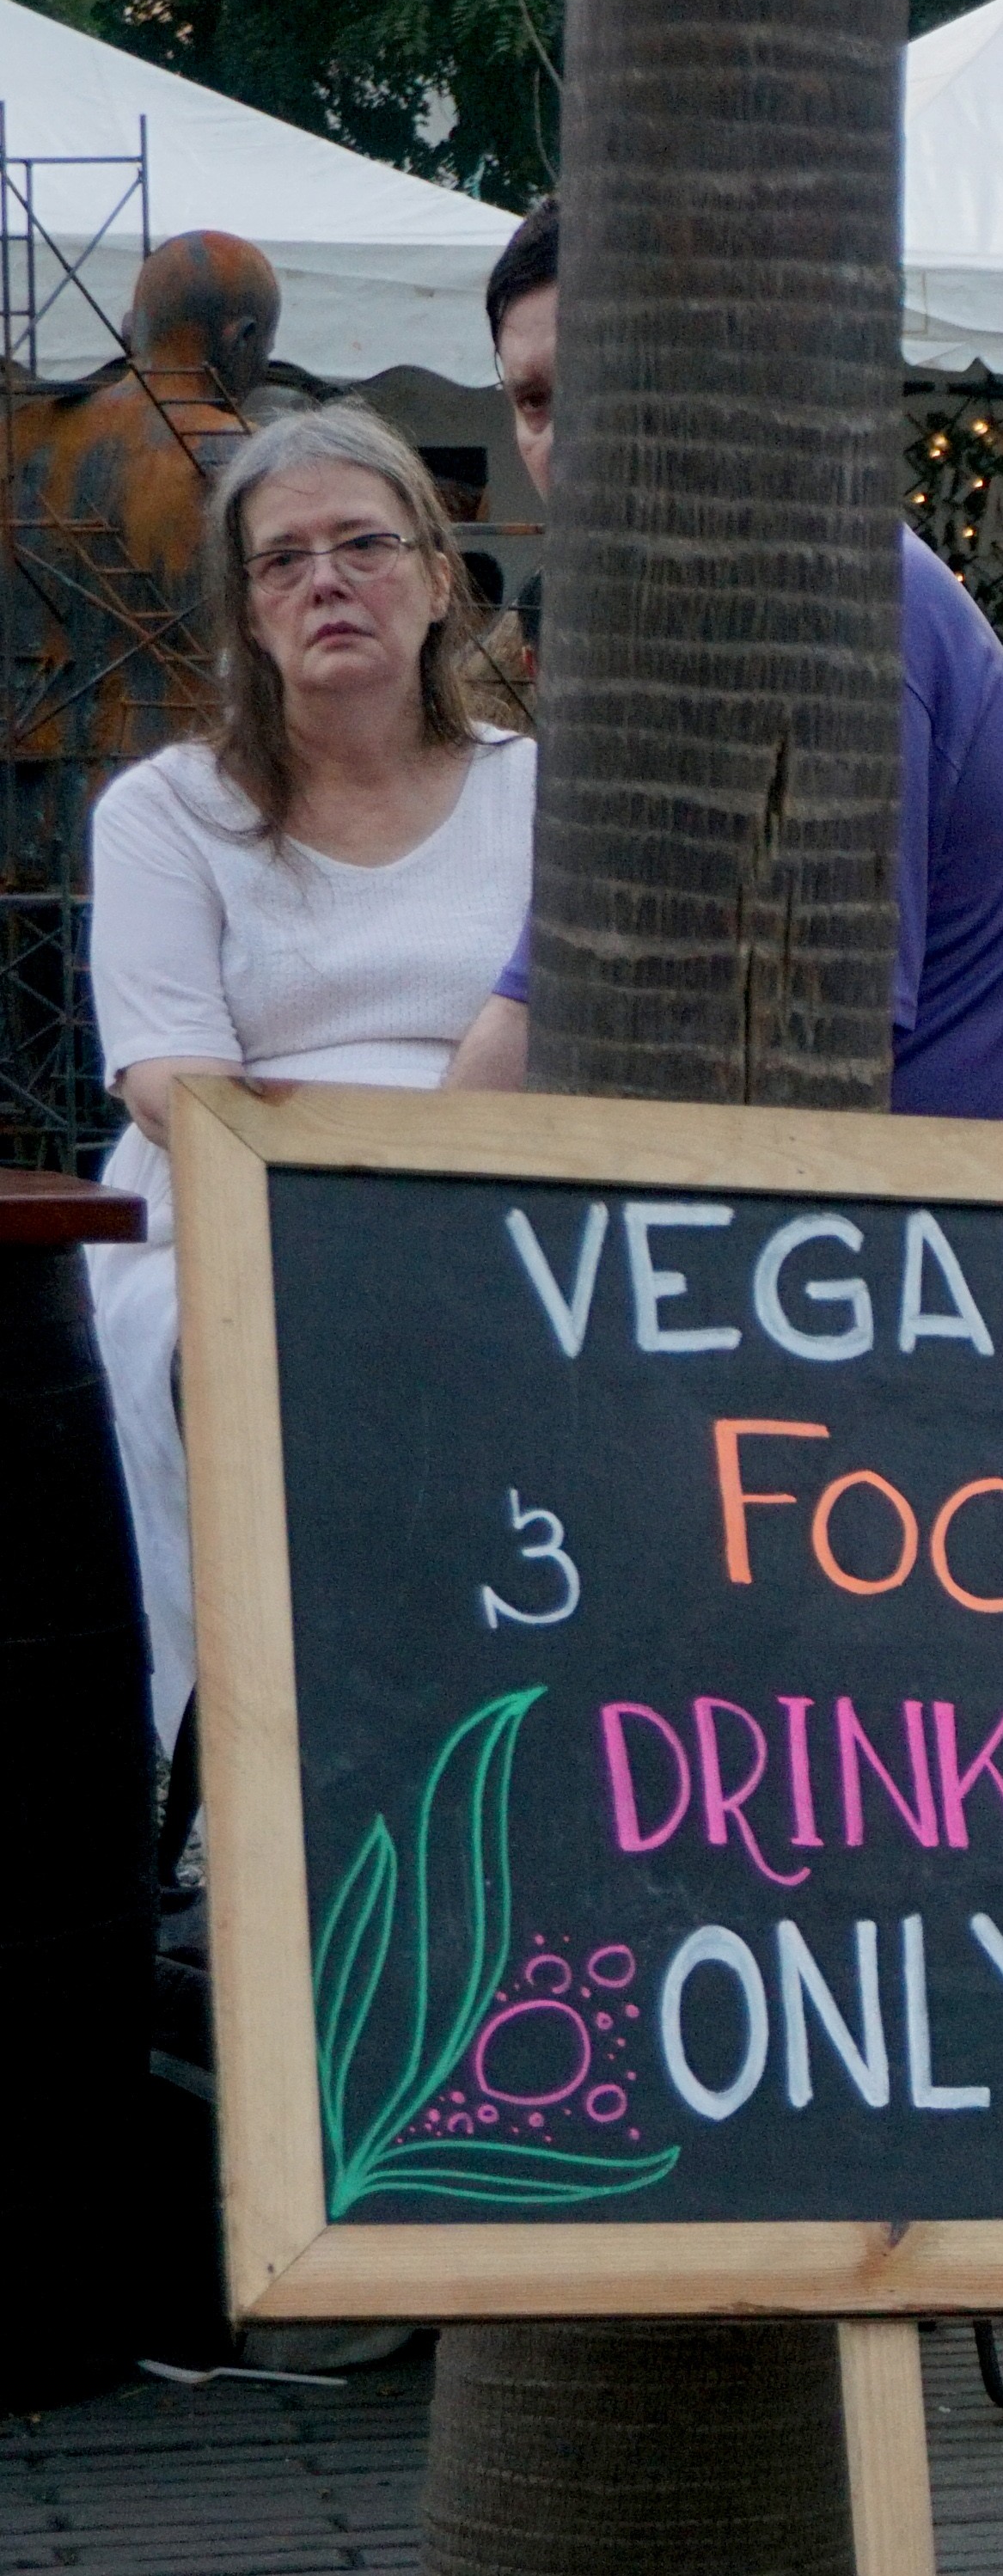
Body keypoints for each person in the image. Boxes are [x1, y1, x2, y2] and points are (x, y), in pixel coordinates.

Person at [441, 199, 1003, 1123]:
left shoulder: (820, 601)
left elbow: (802, 1046)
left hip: (932, 1231)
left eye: (609, 380)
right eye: (535, 401)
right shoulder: (689, 615)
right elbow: (537, 998)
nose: (566, 438)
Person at [90, 403, 533, 1735]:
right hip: (230, 1215)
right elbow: (166, 1075)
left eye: (363, 543)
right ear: (248, 609)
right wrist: (342, 1202)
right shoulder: (169, 810)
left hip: (493, 1204)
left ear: (439, 578)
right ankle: (238, 1765)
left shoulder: (544, 791)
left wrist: (433, 1190)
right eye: (283, 560)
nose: (326, 580)